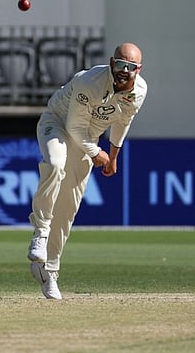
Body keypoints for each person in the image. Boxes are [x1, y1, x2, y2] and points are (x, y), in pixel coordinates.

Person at [27, 42, 147, 299]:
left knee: (69, 207)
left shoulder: (139, 91)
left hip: (89, 137)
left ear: (138, 69)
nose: (124, 71)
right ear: (112, 63)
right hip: (57, 124)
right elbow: (73, 127)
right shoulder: (88, 81)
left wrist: (113, 157)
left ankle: (50, 271)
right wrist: (96, 153)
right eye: (121, 64)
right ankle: (41, 232)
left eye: (131, 67)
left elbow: (122, 122)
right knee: (55, 163)